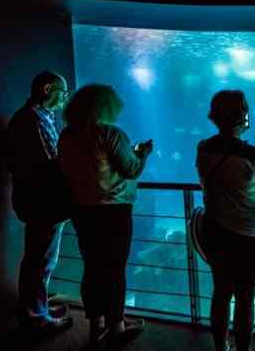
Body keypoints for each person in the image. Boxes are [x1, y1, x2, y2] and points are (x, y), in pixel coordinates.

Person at [57, 84, 153, 347]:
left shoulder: (67, 135)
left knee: (92, 267)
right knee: (114, 268)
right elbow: (130, 169)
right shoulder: (109, 132)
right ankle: (117, 327)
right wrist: (142, 154)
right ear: (104, 107)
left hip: (81, 210)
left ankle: (96, 323)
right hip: (112, 210)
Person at [196, 90, 255, 351]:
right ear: (242, 116)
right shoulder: (252, 154)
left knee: (221, 292)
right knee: (245, 297)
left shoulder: (203, 147)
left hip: (215, 229)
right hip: (248, 235)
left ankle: (220, 347)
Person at [6, 71, 73, 335]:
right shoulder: (32, 119)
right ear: (47, 88)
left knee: (40, 258)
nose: (65, 98)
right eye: (62, 92)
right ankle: (36, 316)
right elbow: (51, 163)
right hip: (42, 202)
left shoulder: (37, 117)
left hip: (39, 201)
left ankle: (37, 307)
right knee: (40, 260)